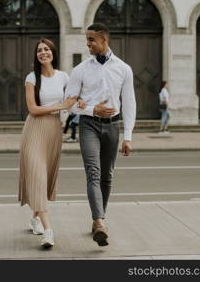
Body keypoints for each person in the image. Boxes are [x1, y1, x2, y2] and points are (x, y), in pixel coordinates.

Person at [65, 23, 136, 246]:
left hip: (113, 127)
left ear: (104, 40)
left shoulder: (124, 68)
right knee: (93, 173)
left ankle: (98, 220)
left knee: (107, 176)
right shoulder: (80, 70)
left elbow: (130, 103)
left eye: (91, 40)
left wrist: (128, 136)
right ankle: (99, 221)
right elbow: (69, 104)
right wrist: (91, 109)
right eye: (87, 40)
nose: (88, 44)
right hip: (89, 126)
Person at [18, 38, 78, 248]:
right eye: (39, 50)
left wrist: (83, 105)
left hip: (53, 131)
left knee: (42, 181)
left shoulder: (63, 77)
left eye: (46, 49)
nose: (43, 53)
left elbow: (73, 103)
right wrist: (61, 105)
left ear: (53, 52)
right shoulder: (31, 78)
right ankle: (49, 232)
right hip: (34, 129)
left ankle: (35, 218)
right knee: (37, 176)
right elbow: (33, 109)